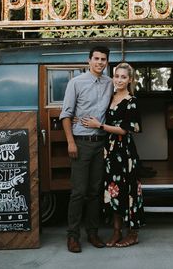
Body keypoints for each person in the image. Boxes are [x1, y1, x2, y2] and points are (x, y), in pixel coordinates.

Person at [81, 62, 145, 248]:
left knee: (129, 191)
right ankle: (116, 232)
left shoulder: (132, 101)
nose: (119, 80)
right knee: (112, 190)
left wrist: (99, 126)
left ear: (130, 80)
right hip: (109, 151)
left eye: (123, 77)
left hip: (124, 152)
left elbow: (125, 130)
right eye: (117, 76)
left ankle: (132, 234)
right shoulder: (110, 97)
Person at [60, 46, 114, 253]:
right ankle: (73, 237)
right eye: (96, 58)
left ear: (107, 62)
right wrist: (70, 142)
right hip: (81, 143)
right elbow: (66, 114)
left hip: (101, 143)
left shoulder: (110, 83)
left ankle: (93, 233)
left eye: (103, 59)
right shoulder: (76, 83)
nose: (100, 62)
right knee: (78, 192)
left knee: (94, 192)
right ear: (89, 60)